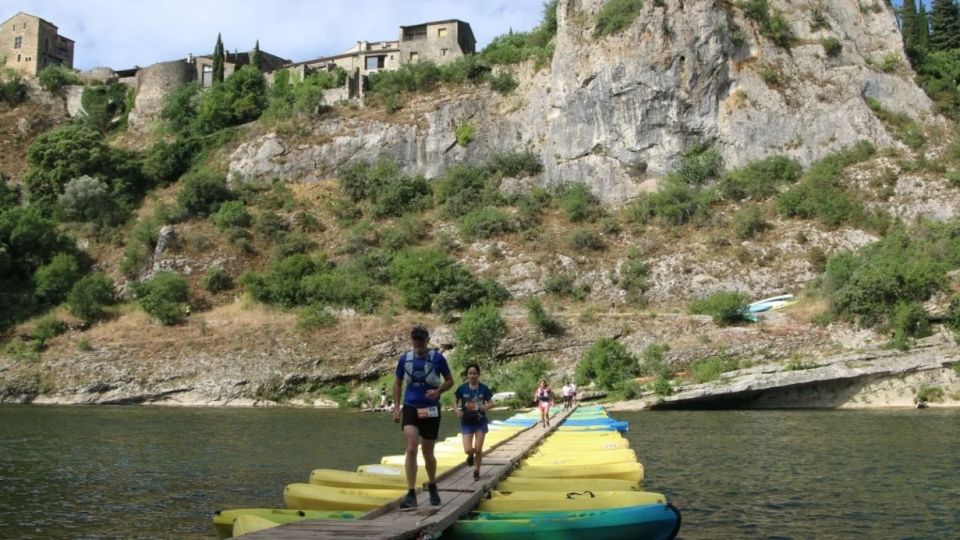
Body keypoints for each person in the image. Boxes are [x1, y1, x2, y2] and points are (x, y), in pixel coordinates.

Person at [393, 325, 453, 509]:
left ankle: (432, 484)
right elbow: (397, 383)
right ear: (412, 341)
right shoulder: (404, 359)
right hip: (411, 407)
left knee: (428, 452)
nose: (418, 342)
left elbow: (450, 381)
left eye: (421, 339)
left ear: (427, 340)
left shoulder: (438, 358)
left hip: (431, 410)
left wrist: (438, 391)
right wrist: (396, 407)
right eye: (415, 339)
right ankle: (411, 493)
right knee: (411, 447)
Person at [454, 363, 493, 481]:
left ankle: (477, 471)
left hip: (480, 421)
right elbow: (455, 401)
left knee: (479, 449)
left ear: (478, 375)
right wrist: (457, 411)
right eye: (470, 373)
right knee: (468, 449)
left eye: (474, 373)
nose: (472, 376)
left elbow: (491, 402)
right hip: (466, 421)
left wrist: (485, 407)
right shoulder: (462, 388)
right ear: (467, 375)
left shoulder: (483, 388)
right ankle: (470, 456)